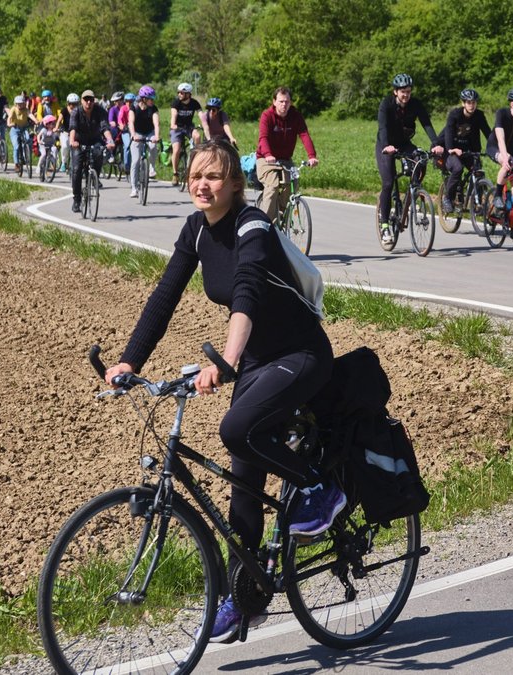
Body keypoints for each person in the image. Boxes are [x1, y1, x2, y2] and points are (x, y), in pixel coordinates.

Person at [105, 139, 341, 643]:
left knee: (236, 429)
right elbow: (165, 295)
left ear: (235, 183)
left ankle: (321, 490)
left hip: (299, 355)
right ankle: (246, 596)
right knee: (243, 482)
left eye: (213, 176)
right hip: (257, 360)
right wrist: (130, 360)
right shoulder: (195, 229)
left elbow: (248, 293)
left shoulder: (252, 225)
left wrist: (227, 362)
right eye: (195, 176)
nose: (202, 185)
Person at [375, 74, 444, 244]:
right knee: (388, 183)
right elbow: (382, 127)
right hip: (386, 145)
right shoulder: (386, 104)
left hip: (404, 143)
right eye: (402, 92)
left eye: (408, 91)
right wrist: (386, 146)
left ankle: (413, 193)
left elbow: (426, 123)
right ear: (395, 92)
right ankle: (385, 226)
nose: (406, 95)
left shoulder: (415, 104)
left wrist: (435, 143)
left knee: (421, 160)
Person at [256, 87, 319, 223]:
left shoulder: (295, 116)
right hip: (266, 159)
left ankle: (281, 215)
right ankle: (264, 224)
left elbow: (304, 135)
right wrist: (267, 154)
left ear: (290, 102)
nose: (284, 105)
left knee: (292, 185)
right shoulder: (267, 116)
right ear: (274, 102)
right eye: (281, 101)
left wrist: (312, 156)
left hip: (285, 159)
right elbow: (263, 138)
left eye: (287, 102)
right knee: (272, 186)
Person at [441, 88, 489, 214]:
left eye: (474, 102)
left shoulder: (479, 115)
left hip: (468, 150)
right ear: (463, 103)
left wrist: (495, 148)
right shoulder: (455, 114)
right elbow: (448, 132)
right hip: (451, 149)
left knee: (478, 171)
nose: (471, 105)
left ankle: (477, 203)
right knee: (457, 168)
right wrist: (452, 148)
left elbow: (488, 133)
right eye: (468, 102)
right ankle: (448, 198)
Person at [68, 89, 116, 212]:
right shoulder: (76, 112)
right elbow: (73, 127)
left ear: (94, 101)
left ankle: (95, 176)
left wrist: (110, 140)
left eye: (91, 99)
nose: (88, 102)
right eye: (86, 99)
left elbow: (104, 127)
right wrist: (72, 141)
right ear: (82, 101)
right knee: (77, 169)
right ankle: (77, 199)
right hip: (79, 142)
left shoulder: (100, 111)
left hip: (95, 140)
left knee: (98, 153)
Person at [128, 86, 161, 200]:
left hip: (149, 132)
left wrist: (156, 136)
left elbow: (156, 124)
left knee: (152, 145)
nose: (152, 101)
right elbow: (131, 122)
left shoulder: (153, 108)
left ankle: (152, 168)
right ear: (143, 99)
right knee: (135, 160)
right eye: (150, 99)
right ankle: (134, 188)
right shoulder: (134, 107)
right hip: (137, 133)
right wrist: (133, 135)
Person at [169, 82, 202, 185]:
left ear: (188, 94)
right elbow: (173, 115)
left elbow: (201, 115)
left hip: (189, 127)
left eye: (182, 93)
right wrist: (173, 124)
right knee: (177, 149)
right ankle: (175, 174)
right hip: (177, 128)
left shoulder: (194, 103)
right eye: (178, 92)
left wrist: (205, 124)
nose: (179, 94)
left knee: (197, 136)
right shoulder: (176, 103)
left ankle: (194, 158)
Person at [7, 95, 33, 173]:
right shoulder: (13, 109)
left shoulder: (26, 110)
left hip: (24, 128)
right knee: (17, 146)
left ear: (24, 103)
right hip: (15, 129)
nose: (20, 105)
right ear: (15, 104)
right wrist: (9, 124)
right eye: (18, 103)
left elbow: (30, 115)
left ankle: (26, 156)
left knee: (28, 140)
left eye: (21, 103)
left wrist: (36, 120)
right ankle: (16, 164)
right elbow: (10, 117)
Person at [59, 93, 79, 173]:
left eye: (76, 104)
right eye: (72, 104)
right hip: (65, 132)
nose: (74, 106)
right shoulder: (64, 110)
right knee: (64, 147)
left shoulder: (79, 111)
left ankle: (73, 165)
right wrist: (56, 127)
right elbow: (59, 120)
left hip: (75, 132)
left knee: (74, 149)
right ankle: (63, 162)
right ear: (68, 103)